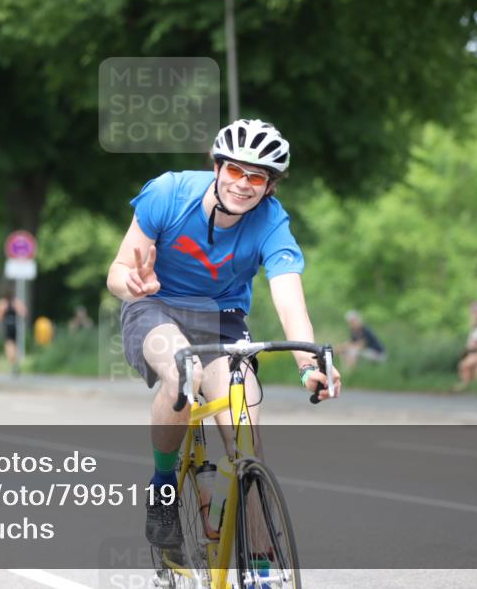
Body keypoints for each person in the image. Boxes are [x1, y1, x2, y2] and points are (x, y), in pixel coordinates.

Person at [107, 118, 340, 551]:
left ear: (269, 186)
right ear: (216, 166)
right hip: (154, 305)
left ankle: (263, 569)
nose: (243, 184)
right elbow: (118, 272)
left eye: (257, 176)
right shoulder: (169, 193)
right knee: (182, 374)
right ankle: (162, 488)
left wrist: (310, 363)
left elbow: (290, 299)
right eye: (235, 170)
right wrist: (132, 284)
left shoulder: (272, 222)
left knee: (245, 432)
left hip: (223, 318)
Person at [0, 289, 27, 375]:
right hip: (16, 325)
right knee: (15, 345)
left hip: (7, 326)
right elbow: (24, 313)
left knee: (9, 345)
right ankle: (16, 362)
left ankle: (13, 364)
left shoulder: (2, 303)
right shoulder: (16, 302)